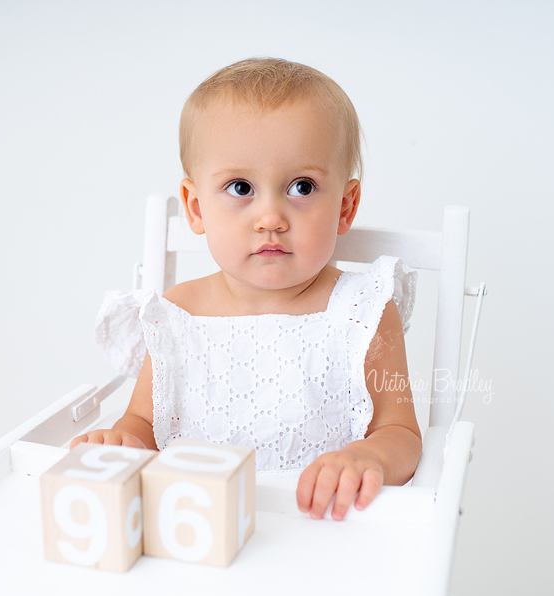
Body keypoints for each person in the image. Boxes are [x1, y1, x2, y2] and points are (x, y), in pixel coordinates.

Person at [70, 58, 422, 521]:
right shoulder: (176, 317)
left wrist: (370, 456)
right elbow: (144, 426)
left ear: (345, 205)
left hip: (324, 534)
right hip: (197, 529)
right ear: (196, 208)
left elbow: (401, 432)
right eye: (240, 187)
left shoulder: (362, 312)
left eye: (302, 186)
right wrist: (123, 440)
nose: (270, 217)